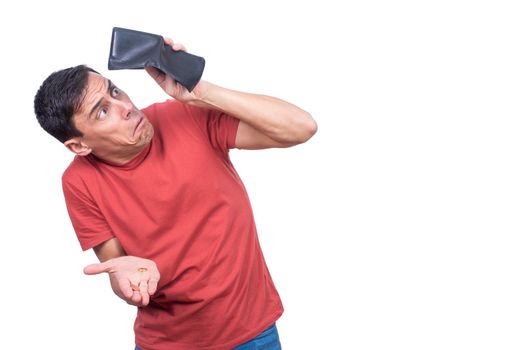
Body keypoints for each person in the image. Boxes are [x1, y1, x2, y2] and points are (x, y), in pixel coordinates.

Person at [34, 38, 317, 350]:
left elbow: (300, 127)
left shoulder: (185, 116)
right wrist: (128, 279)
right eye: (102, 112)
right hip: (165, 343)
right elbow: (117, 266)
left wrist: (199, 92)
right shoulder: (78, 182)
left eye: (114, 91)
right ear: (79, 146)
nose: (126, 107)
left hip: (252, 333)